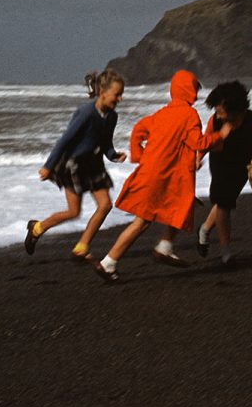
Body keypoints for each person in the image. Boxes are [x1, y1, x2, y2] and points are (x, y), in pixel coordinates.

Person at [92, 69, 230, 283]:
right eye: (194, 89)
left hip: (153, 173)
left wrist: (139, 155)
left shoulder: (161, 114)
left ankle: (157, 248)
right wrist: (219, 136)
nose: (196, 94)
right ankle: (111, 261)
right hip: (166, 177)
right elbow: (197, 143)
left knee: (174, 208)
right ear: (189, 92)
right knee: (152, 218)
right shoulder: (189, 115)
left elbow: (139, 129)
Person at [25, 69, 127, 262]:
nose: (120, 98)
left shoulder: (112, 117)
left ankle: (82, 246)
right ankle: (37, 228)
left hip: (94, 165)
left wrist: (114, 156)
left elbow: (106, 144)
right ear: (103, 92)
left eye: (122, 94)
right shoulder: (86, 112)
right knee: (73, 212)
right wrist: (48, 166)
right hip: (74, 165)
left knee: (105, 205)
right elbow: (65, 140)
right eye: (117, 94)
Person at [196, 80, 252, 265]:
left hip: (243, 167)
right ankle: (226, 252)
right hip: (219, 163)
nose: (216, 112)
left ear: (234, 107)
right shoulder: (214, 121)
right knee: (224, 203)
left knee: (224, 201)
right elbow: (205, 142)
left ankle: (204, 229)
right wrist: (198, 157)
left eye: (220, 107)